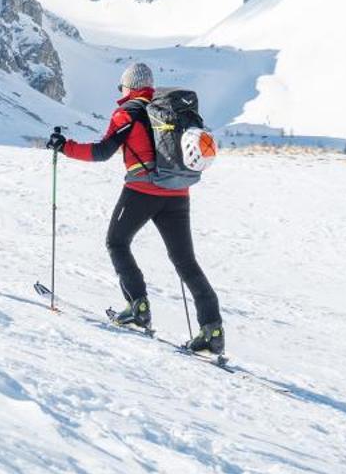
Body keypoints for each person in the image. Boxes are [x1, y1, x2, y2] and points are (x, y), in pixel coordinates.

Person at [49, 61, 225, 355]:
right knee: (185, 262)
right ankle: (212, 329)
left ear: (129, 86)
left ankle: (138, 306)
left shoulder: (127, 112)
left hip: (141, 191)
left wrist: (64, 146)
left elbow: (102, 152)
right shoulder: (167, 111)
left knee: (116, 242)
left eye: (123, 86)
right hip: (178, 192)